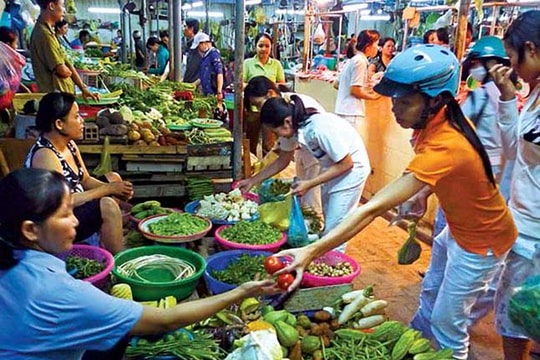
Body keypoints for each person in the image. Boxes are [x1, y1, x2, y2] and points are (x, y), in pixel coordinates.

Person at [275, 45, 517, 360]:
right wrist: (421, 194)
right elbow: (439, 174)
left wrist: (310, 251)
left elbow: (371, 209)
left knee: (448, 324)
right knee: (429, 296)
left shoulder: (448, 141)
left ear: (436, 100)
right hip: (456, 229)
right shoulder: (435, 124)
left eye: (404, 102)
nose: (394, 109)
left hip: (481, 240)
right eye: (394, 101)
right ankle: (413, 348)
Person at [0, 167, 279, 359]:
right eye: (65, 214)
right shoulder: (58, 294)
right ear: (30, 230)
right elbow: (164, 321)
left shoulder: (12, 256)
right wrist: (244, 291)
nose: (76, 220)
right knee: (124, 332)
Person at [237, 95, 371, 244]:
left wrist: (309, 183)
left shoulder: (317, 128)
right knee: (330, 221)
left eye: (276, 132)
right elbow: (282, 160)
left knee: (335, 231)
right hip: (333, 169)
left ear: (287, 122)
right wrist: (252, 181)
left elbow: (346, 164)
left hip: (352, 173)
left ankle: (333, 261)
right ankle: (324, 256)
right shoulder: (293, 130)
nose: (276, 137)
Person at [488, 10, 540, 359]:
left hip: (535, 231)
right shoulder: (534, 94)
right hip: (524, 222)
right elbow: (513, 150)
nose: (512, 67)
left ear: (531, 49)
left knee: (517, 316)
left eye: (512, 57)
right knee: (518, 315)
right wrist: (508, 97)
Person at [24, 92, 133, 255]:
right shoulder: (45, 155)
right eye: (76, 117)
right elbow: (62, 202)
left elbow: (85, 179)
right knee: (108, 205)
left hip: (77, 203)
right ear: (59, 124)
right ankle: (119, 263)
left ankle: (109, 236)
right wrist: (107, 190)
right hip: (56, 221)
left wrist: (116, 188)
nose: (82, 121)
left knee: (114, 178)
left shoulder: (70, 145)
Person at [243, 76, 324, 220]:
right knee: (303, 197)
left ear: (270, 94)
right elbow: (283, 159)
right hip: (305, 154)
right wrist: (252, 180)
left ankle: (315, 233)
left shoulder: (293, 109)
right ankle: (306, 230)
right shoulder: (281, 115)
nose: (260, 110)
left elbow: (285, 158)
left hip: (318, 156)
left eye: (258, 104)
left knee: (312, 200)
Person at [29, 0, 97, 101]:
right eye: (62, 5)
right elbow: (63, 71)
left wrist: (83, 88)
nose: (64, 10)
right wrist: (67, 71)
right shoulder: (44, 35)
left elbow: (67, 64)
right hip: (56, 98)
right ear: (51, 6)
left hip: (63, 96)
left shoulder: (50, 32)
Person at [243, 33, 285, 155]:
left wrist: (268, 87)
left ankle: (268, 168)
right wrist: (256, 89)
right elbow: (242, 83)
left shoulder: (276, 64)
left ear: (271, 47)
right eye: (260, 45)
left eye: (267, 46)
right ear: (255, 46)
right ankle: (251, 167)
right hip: (253, 109)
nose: (264, 49)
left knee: (269, 144)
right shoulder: (247, 63)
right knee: (251, 141)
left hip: (271, 110)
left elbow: (281, 84)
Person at [334, 29, 381, 138]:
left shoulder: (352, 60)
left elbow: (336, 84)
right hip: (352, 113)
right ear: (368, 46)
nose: (378, 48)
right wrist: (373, 96)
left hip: (343, 110)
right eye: (377, 44)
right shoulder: (360, 61)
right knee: (352, 149)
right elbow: (355, 90)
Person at [183, 18, 201, 83]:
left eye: (185, 26)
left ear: (191, 28)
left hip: (196, 82)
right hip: (191, 81)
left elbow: (193, 65)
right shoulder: (189, 43)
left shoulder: (199, 44)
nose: (183, 29)